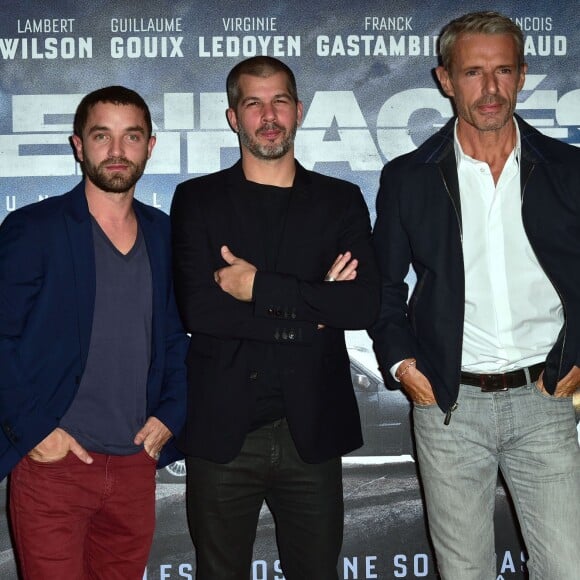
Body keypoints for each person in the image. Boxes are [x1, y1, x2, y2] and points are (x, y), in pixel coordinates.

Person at [370, 10, 580, 580]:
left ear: (523, 74)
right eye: (473, 73)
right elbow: (383, 289)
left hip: (545, 399)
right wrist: (403, 364)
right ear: (445, 79)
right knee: (464, 573)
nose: (489, 89)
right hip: (448, 406)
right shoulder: (409, 177)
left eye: (503, 70)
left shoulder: (569, 170)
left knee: (568, 568)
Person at [171, 56, 379, 579]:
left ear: (299, 111)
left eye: (280, 101)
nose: (269, 116)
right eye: (254, 103)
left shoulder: (341, 201)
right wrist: (310, 310)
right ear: (232, 117)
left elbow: (360, 305)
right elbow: (200, 309)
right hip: (223, 435)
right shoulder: (197, 200)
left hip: (311, 431)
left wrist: (257, 287)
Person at [0, 86, 188, 579]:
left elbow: (177, 337)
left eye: (132, 137)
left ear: (150, 146)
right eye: (102, 136)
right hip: (54, 466)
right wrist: (35, 430)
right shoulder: (33, 228)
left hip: (134, 466)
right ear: (78, 146)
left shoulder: (166, 234)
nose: (117, 151)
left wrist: (171, 413)